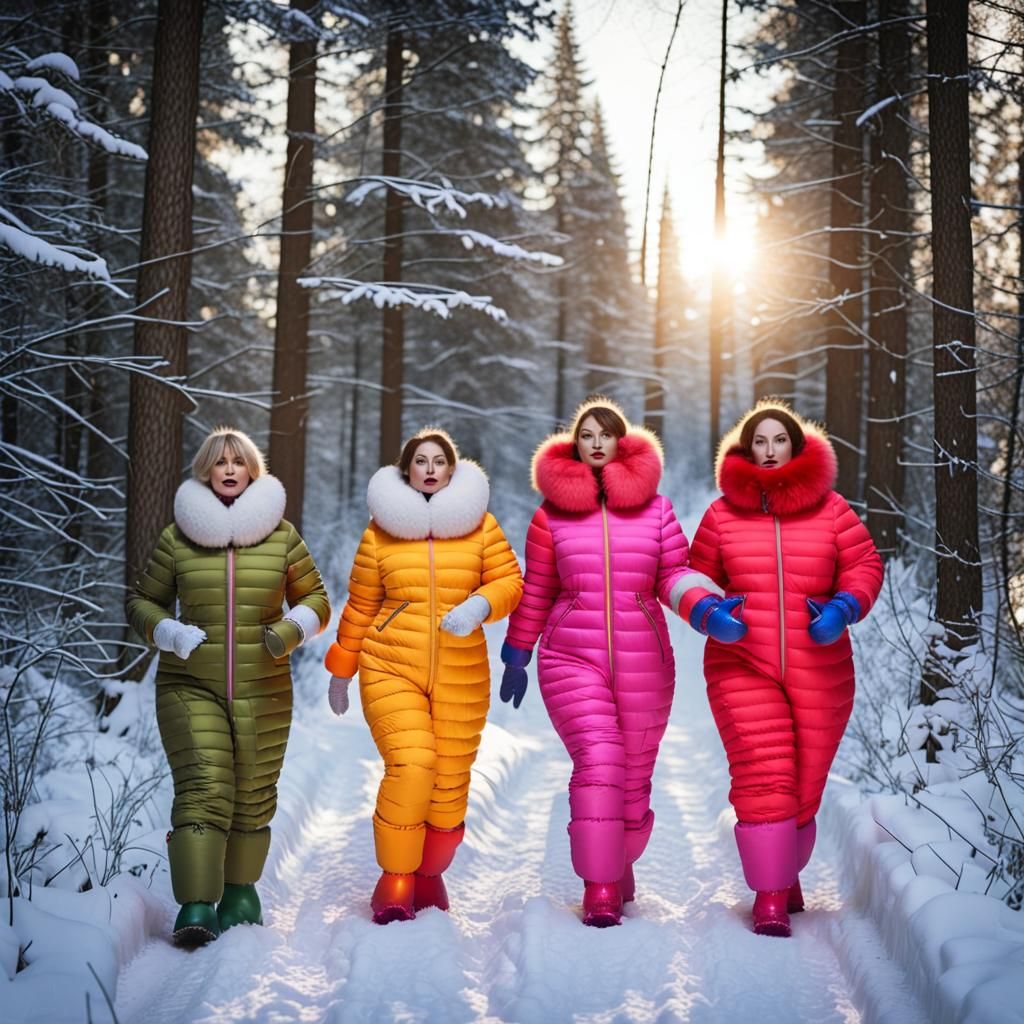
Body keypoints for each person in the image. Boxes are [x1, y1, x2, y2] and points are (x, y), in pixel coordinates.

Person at [499, 398, 720, 927]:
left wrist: (705, 608)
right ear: (573, 444)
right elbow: (538, 591)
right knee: (599, 761)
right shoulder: (550, 516)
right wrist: (518, 651)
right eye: (586, 435)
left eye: (605, 434)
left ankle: (618, 863)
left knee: (633, 779)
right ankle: (598, 885)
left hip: (646, 661)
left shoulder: (658, 511)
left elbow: (672, 576)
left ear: (622, 443)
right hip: (570, 657)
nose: (595, 442)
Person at [676, 401, 883, 937]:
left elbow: (864, 564)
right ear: (746, 451)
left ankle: (784, 872)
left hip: (823, 666)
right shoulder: (722, 514)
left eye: (778, 441)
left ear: (795, 446)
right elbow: (689, 573)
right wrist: (707, 610)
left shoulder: (833, 509)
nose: (769, 451)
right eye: (759, 442)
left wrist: (844, 607)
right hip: (740, 661)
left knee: (806, 784)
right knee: (764, 774)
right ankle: (769, 894)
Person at [126, 427, 330, 947]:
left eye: (239, 460)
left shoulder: (282, 536)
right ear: (206, 471)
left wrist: (289, 632)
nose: (230, 468)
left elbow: (317, 602)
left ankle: (240, 890)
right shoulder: (178, 537)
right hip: (189, 685)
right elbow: (141, 604)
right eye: (220, 461)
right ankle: (196, 903)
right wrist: (167, 631)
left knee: (253, 793)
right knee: (205, 785)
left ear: (253, 469)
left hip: (265, 687)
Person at [325, 428, 523, 924]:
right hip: (390, 664)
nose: (431, 468)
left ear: (453, 471)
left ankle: (429, 873)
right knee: (413, 765)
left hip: (462, 671)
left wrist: (479, 605)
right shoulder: (380, 532)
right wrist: (343, 667)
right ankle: (394, 878)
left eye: (440, 461)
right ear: (406, 471)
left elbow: (509, 582)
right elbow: (362, 603)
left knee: (450, 779)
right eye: (421, 461)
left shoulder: (481, 526)